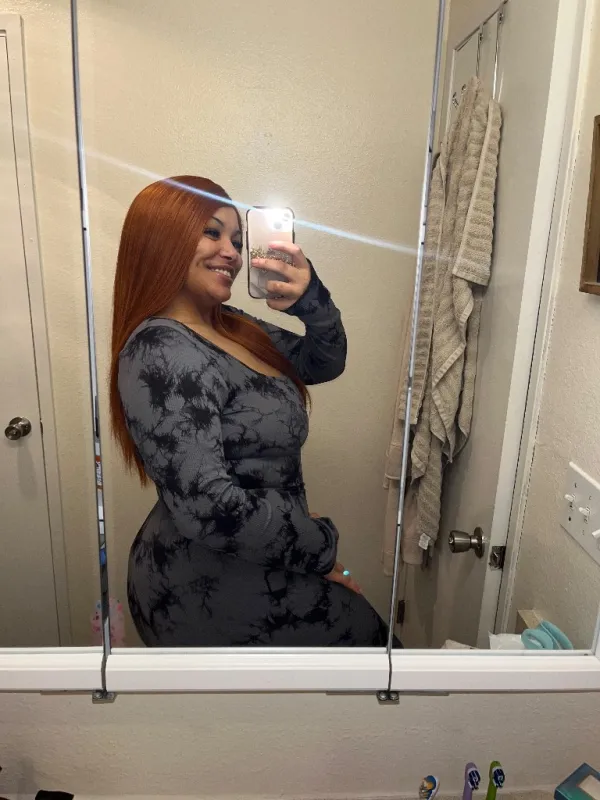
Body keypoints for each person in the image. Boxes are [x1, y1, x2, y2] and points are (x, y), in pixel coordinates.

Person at [110, 175, 394, 647]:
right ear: (162, 237)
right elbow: (208, 507)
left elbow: (323, 361)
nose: (233, 253)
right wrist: (318, 543)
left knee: (372, 653)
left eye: (238, 241)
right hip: (203, 581)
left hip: (263, 550)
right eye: (212, 233)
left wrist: (310, 299)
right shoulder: (161, 348)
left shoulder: (230, 325)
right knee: (371, 654)